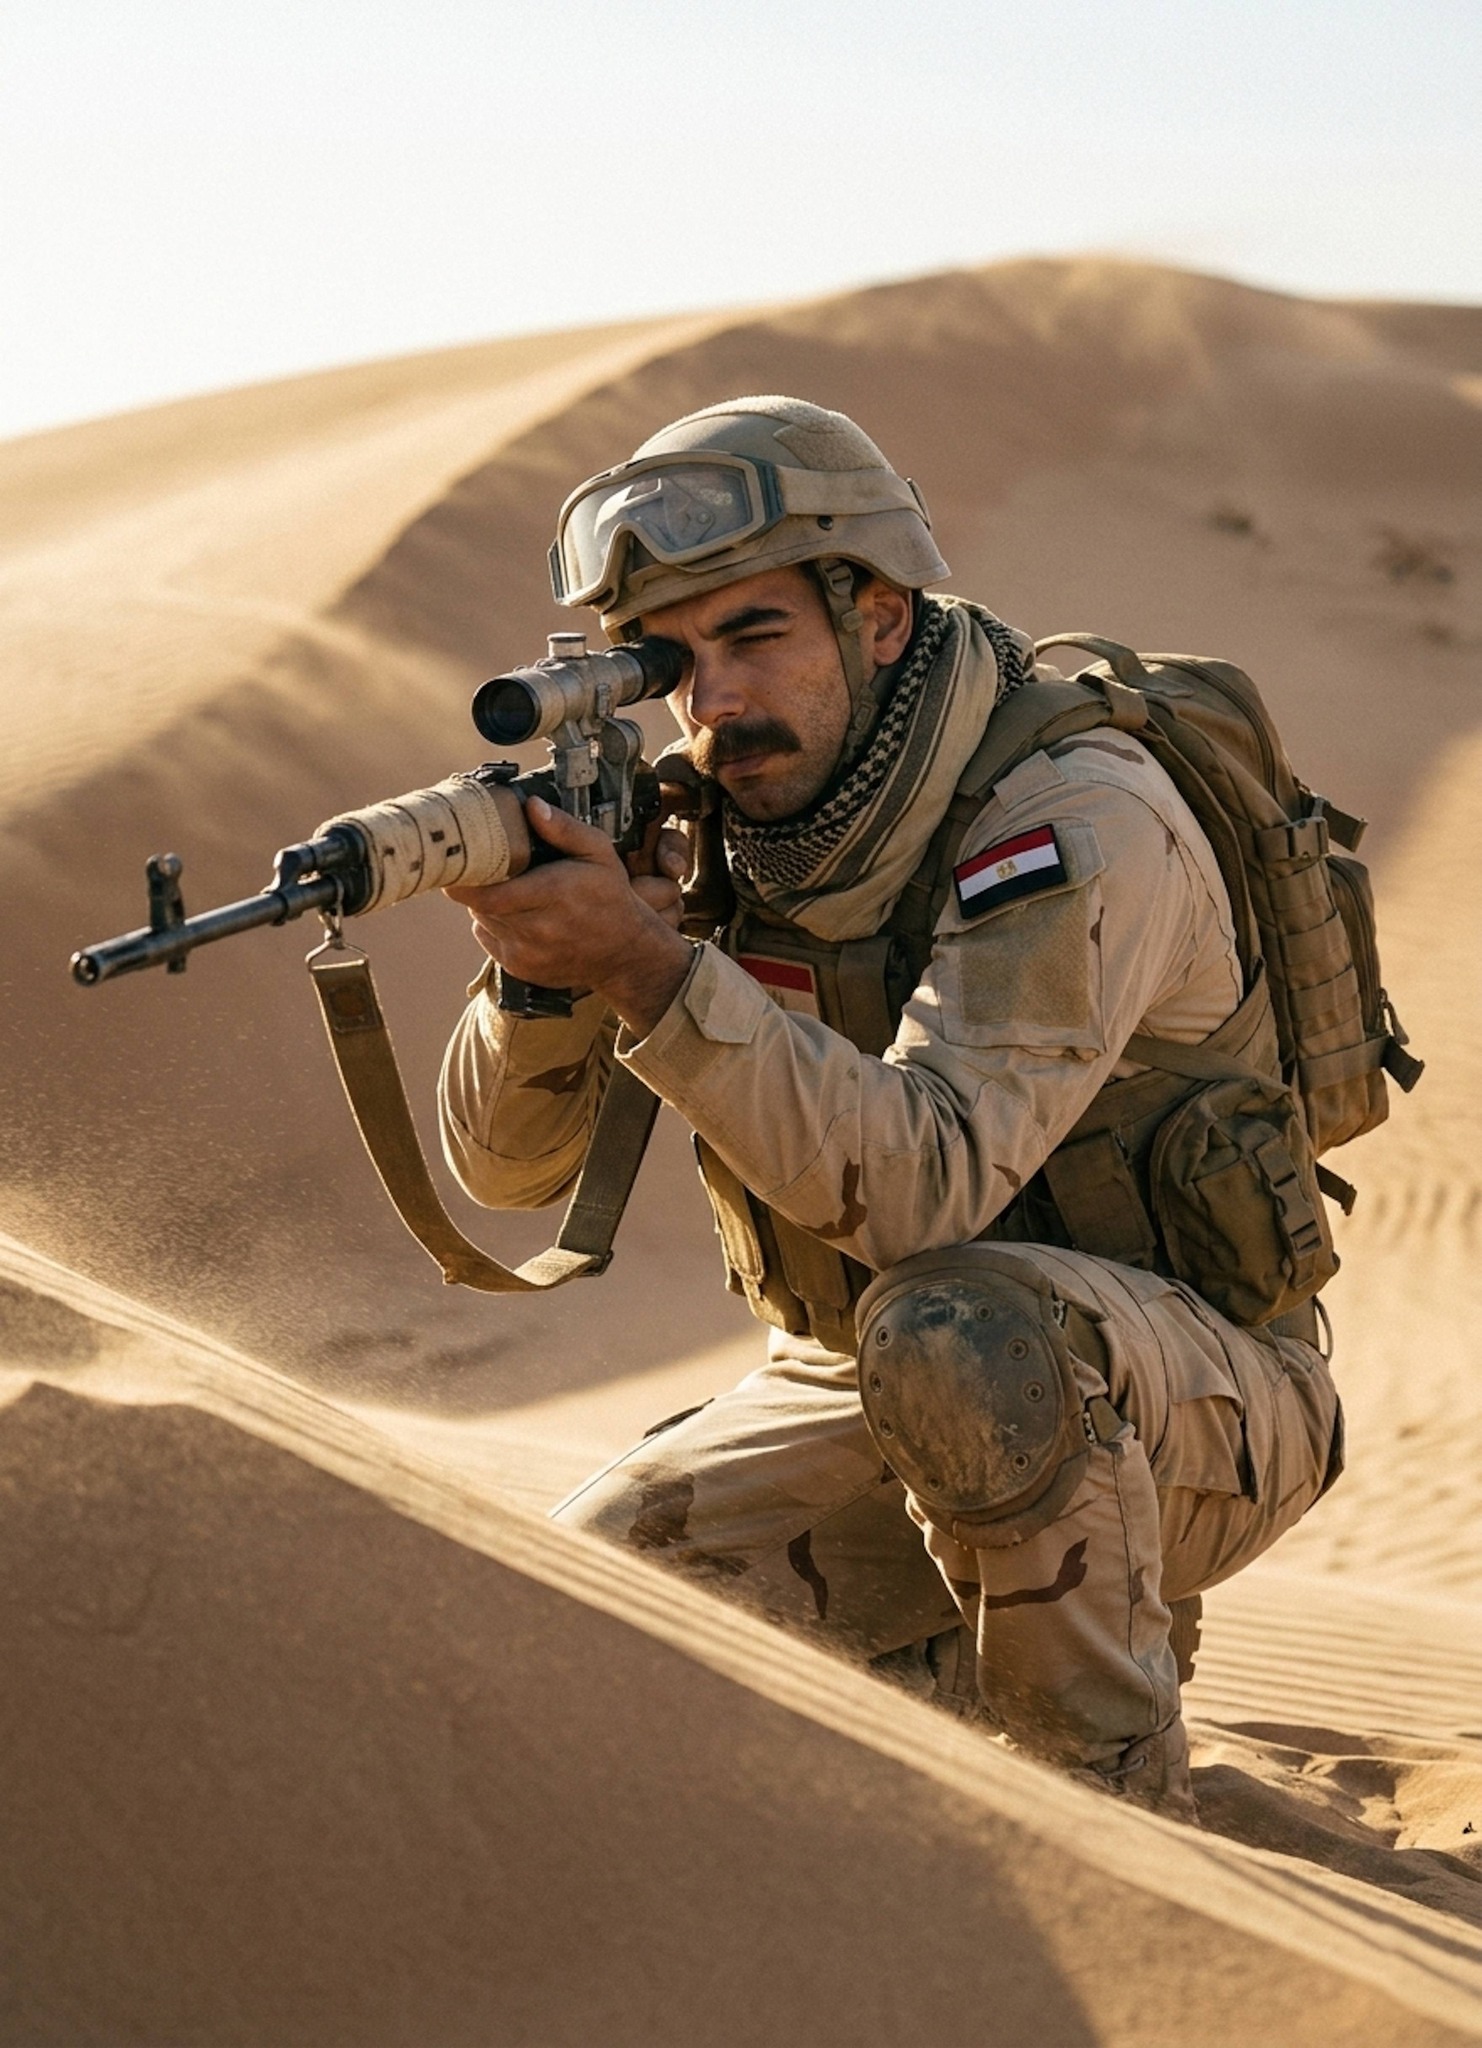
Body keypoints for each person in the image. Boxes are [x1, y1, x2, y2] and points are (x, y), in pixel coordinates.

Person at [437, 397, 1342, 1820]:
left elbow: (929, 1190)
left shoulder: (1072, 812)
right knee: (582, 1617)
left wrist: (647, 966)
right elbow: (506, 1175)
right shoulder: (731, 825)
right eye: (673, 660)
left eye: (755, 636)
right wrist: (546, 976)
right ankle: (948, 1679)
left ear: (877, 614)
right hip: (869, 1377)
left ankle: (1119, 1835)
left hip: (1199, 1400)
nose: (714, 700)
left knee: (964, 1334)